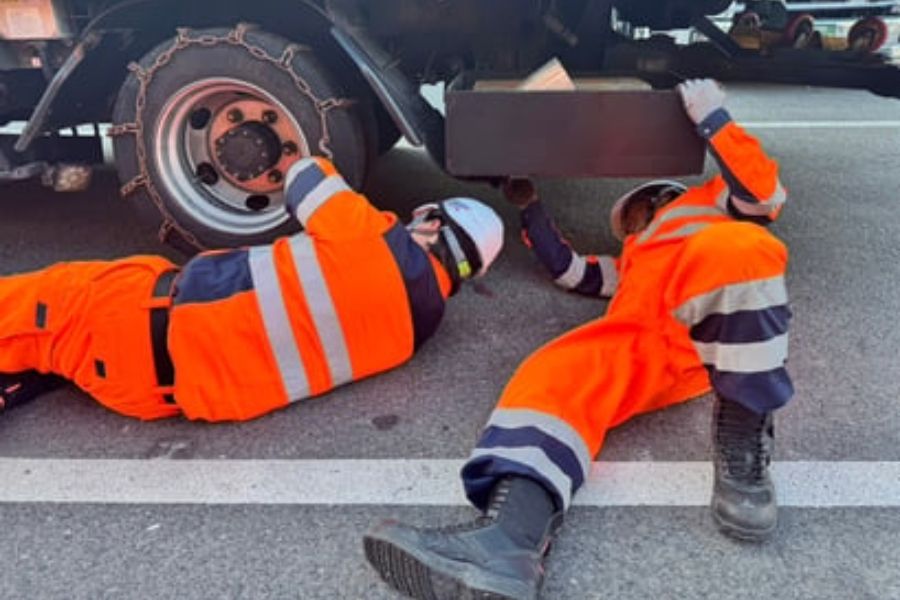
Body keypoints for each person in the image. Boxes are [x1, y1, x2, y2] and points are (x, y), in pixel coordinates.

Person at [363, 79, 793, 600]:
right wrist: (530, 206)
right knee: (550, 373)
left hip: (716, 324)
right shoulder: (633, 257)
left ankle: (743, 438)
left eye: (629, 215)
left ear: (656, 196)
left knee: (739, 249)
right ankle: (507, 544)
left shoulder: (711, 205)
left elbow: (764, 193)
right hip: (647, 348)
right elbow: (570, 271)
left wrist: (714, 119)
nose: (626, 226)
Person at [0, 157, 504, 422]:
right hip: (155, 397)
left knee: (39, 300)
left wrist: (373, 213)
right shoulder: (414, 334)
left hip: (134, 320)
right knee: (45, 350)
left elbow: (305, 174)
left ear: (433, 226)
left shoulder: (372, 235)